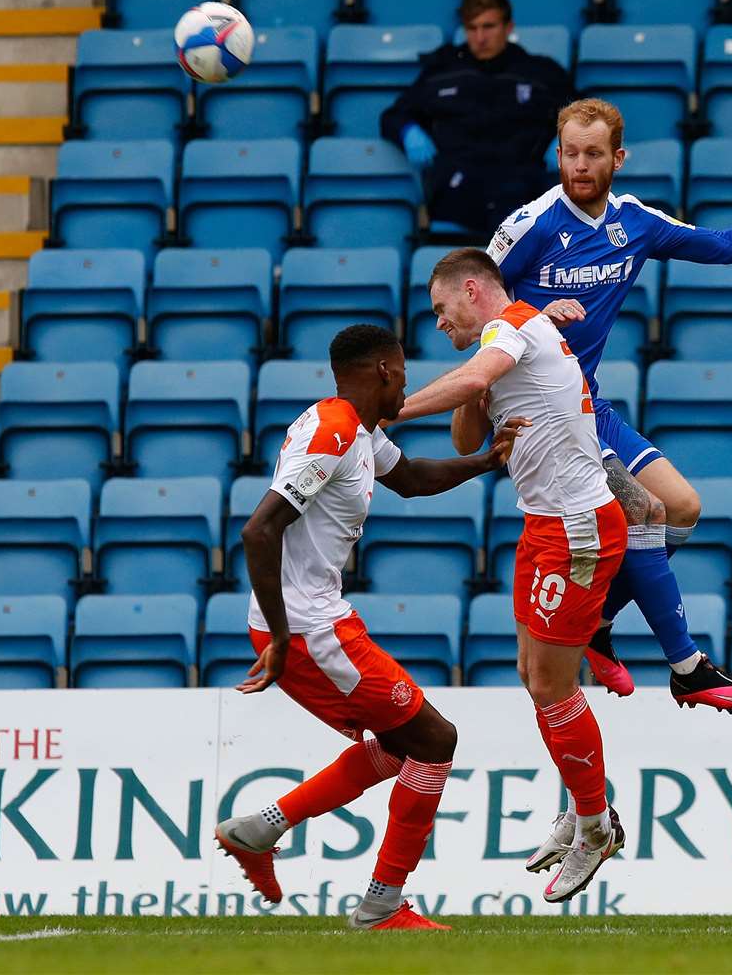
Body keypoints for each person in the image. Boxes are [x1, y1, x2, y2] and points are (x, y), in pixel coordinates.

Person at [480, 98, 732, 710]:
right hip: (539, 419)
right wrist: (530, 314)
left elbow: (722, 244)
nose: (579, 166)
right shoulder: (529, 225)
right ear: (558, 154)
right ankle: (687, 664)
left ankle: (598, 622)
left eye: (593, 154)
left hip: (589, 407)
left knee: (682, 508)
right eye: (570, 153)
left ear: (618, 158)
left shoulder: (634, 222)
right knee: (646, 510)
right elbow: (473, 293)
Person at [213, 324, 527, 931]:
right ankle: (382, 905)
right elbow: (259, 531)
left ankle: (257, 831)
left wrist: (485, 462)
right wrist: (280, 637)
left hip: (315, 623)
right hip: (308, 630)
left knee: (397, 747)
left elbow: (409, 480)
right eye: (405, 372)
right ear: (384, 369)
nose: (406, 385)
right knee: (435, 741)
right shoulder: (331, 435)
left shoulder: (358, 431)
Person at [394, 248, 629, 903]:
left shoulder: (514, 331)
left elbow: (471, 386)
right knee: (536, 678)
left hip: (577, 527)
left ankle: (593, 823)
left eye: (442, 310)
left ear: (471, 290)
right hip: (542, 524)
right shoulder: (514, 334)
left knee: (552, 684)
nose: (438, 324)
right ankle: (586, 810)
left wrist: (385, 412)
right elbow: (469, 439)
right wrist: (476, 384)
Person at [379, 0, 575, 236]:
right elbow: (393, 116)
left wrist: (567, 138)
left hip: (523, 191)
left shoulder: (540, 73)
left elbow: (585, 115)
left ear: (508, 27)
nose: (480, 37)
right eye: (472, 29)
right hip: (457, 192)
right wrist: (408, 131)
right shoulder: (442, 72)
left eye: (488, 26)